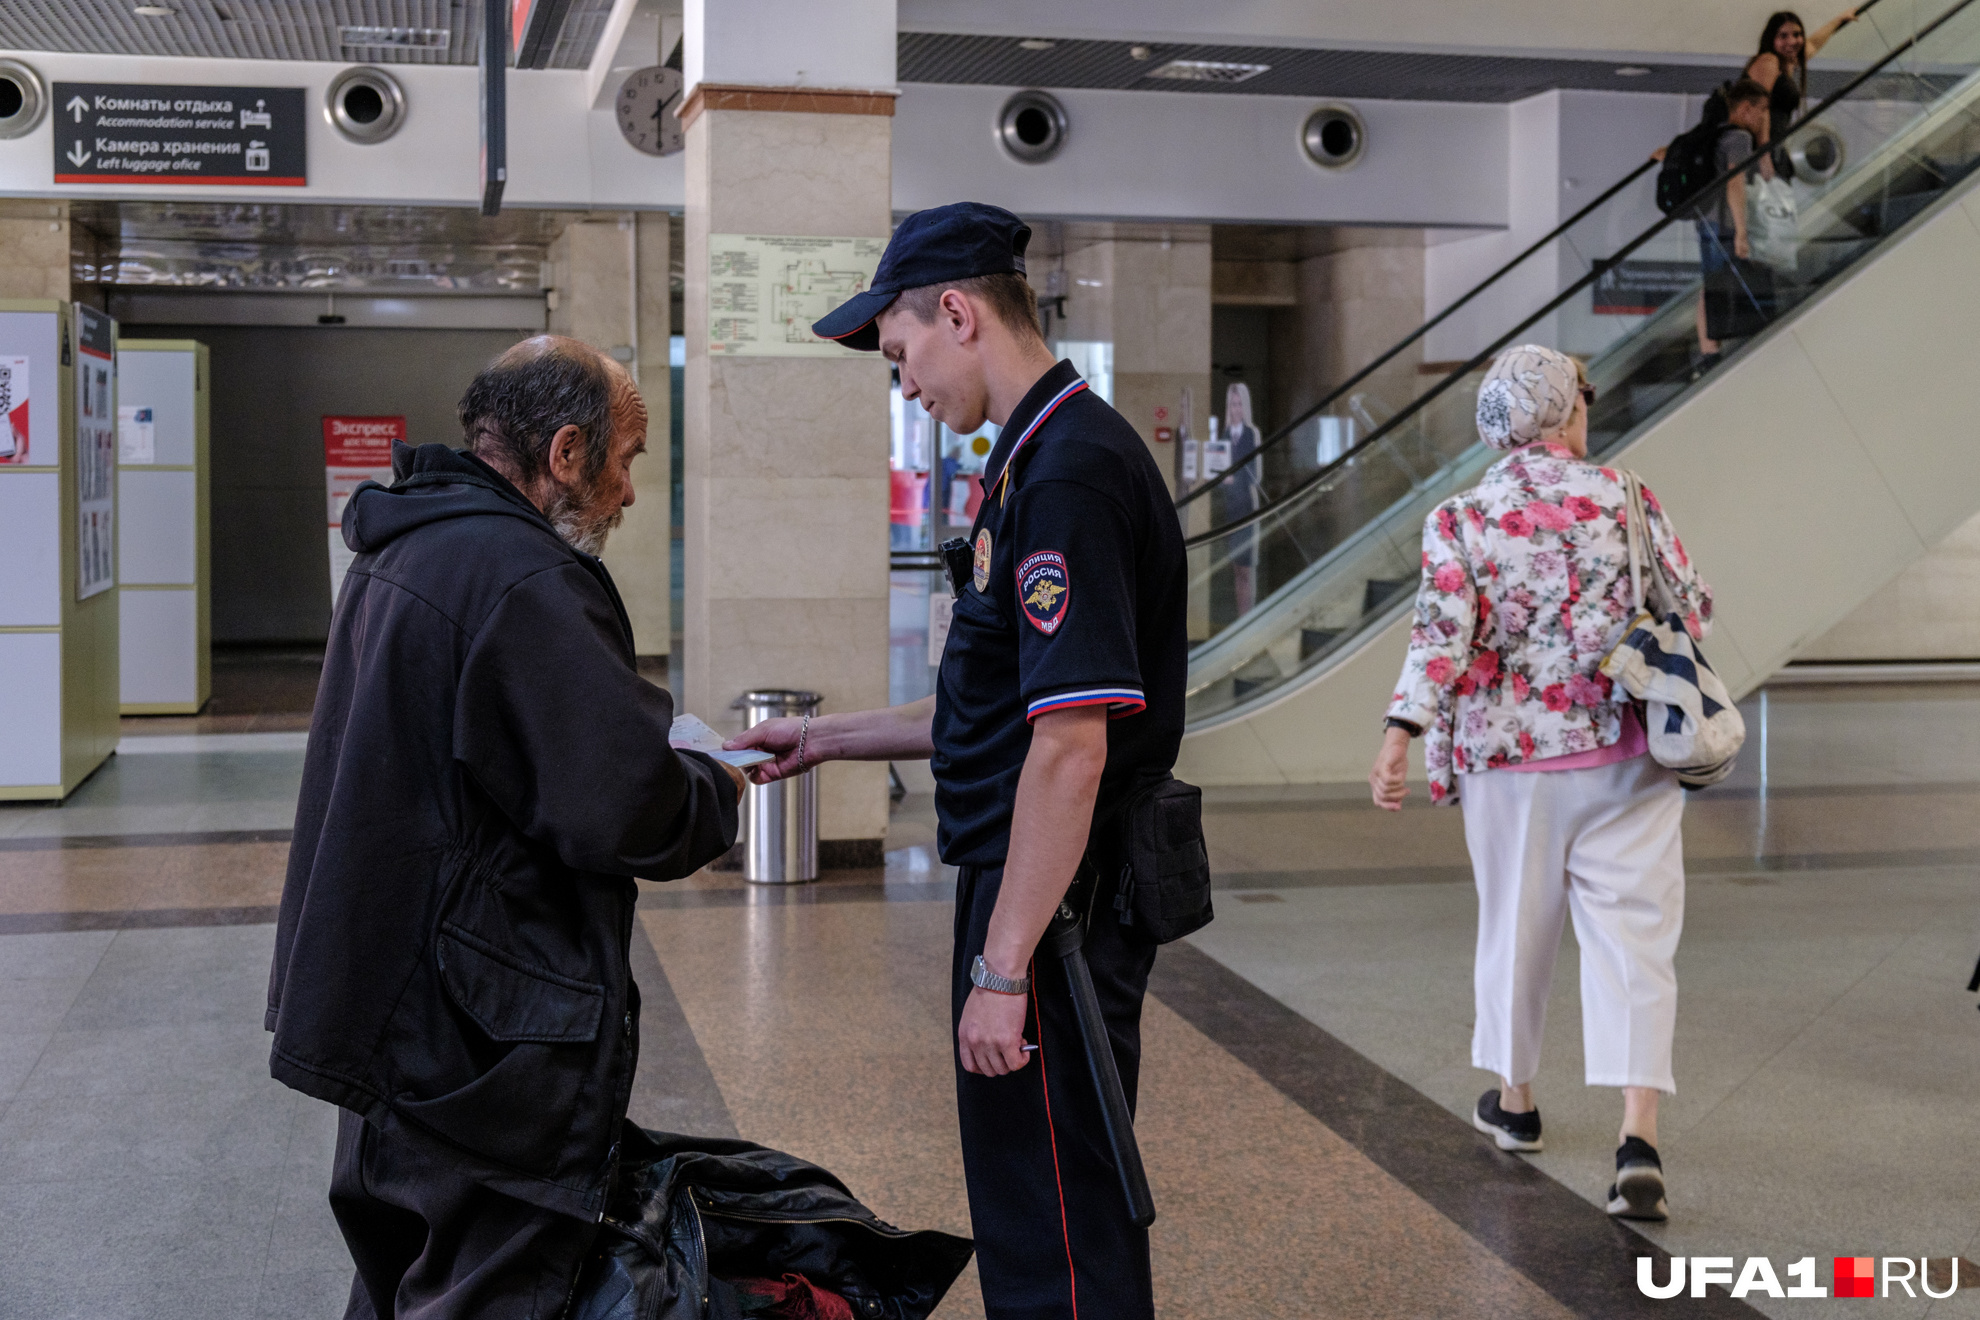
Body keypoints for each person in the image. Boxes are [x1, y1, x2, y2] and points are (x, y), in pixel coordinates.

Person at [728, 202, 1187, 1319]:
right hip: (1032, 886)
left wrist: (1003, 967)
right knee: (1032, 1198)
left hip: (1056, 904)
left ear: (957, 312)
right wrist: (828, 740)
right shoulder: (1033, 460)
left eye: (901, 357)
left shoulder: (1070, 474)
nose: (906, 388)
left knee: (1059, 1221)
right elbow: (996, 708)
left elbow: (1070, 750)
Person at [265, 336, 745, 1318]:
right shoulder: (521, 577)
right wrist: (714, 780)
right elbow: (624, 805)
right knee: (493, 1286)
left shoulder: (411, 544)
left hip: (399, 1003)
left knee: (408, 1275)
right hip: (482, 1029)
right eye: (628, 458)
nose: (629, 492)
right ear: (566, 453)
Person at [1368, 345, 1713, 1222]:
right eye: (1582, 396)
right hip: (1630, 752)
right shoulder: (1628, 495)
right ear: (1564, 413)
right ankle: (1639, 1139)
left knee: (1516, 932)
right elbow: (1695, 606)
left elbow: (1439, 637)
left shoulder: (1463, 516)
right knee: (1636, 939)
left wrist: (1400, 731)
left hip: (1510, 760)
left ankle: (1516, 1105)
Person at [1695, 78, 1773, 364]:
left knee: (1711, 284)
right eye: (1761, 110)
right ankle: (1732, 348)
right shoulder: (1739, 138)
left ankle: (1709, 353)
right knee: (1729, 283)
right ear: (1744, 107)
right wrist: (1741, 231)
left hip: (1708, 220)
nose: (1764, 117)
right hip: (1727, 221)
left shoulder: (1715, 133)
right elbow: (1735, 184)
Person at [1746, 8, 1859, 177]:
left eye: (1797, 34)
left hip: (1773, 146)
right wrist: (1764, 155)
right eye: (1783, 36)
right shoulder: (1768, 62)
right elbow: (1760, 110)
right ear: (1771, 38)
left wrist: (1838, 20)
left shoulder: (1787, 63)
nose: (1792, 41)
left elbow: (1812, 43)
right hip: (1757, 148)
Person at [1212, 381, 1265, 616]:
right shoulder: (1223, 436)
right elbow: (1217, 468)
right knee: (1236, 567)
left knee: (1247, 566)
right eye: (1232, 405)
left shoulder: (1251, 434)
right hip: (1230, 508)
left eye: (1239, 405)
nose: (1236, 410)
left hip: (1246, 506)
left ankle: (1248, 615)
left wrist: (1235, 478)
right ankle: (1240, 615)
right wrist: (1218, 479)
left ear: (1245, 407)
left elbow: (1255, 472)